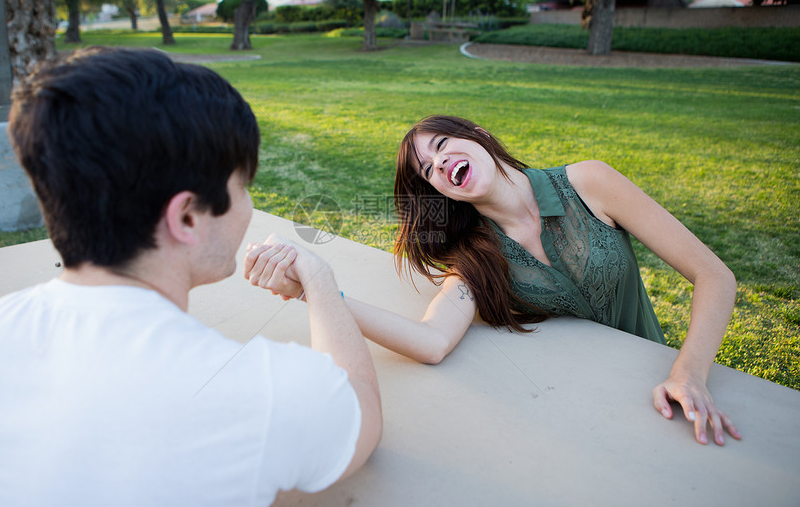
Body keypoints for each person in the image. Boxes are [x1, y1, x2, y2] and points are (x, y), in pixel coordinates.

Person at [0, 47, 381, 507]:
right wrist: (318, 276)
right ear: (187, 217)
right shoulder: (252, 395)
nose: (248, 207)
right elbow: (361, 412)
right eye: (242, 188)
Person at [245, 114, 742, 447]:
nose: (439, 163)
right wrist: (317, 289)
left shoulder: (590, 183)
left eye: (442, 146)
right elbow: (431, 341)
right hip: (589, 420)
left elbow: (714, 276)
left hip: (666, 385)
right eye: (428, 170)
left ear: (477, 135)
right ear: (440, 190)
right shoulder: (478, 259)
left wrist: (689, 373)